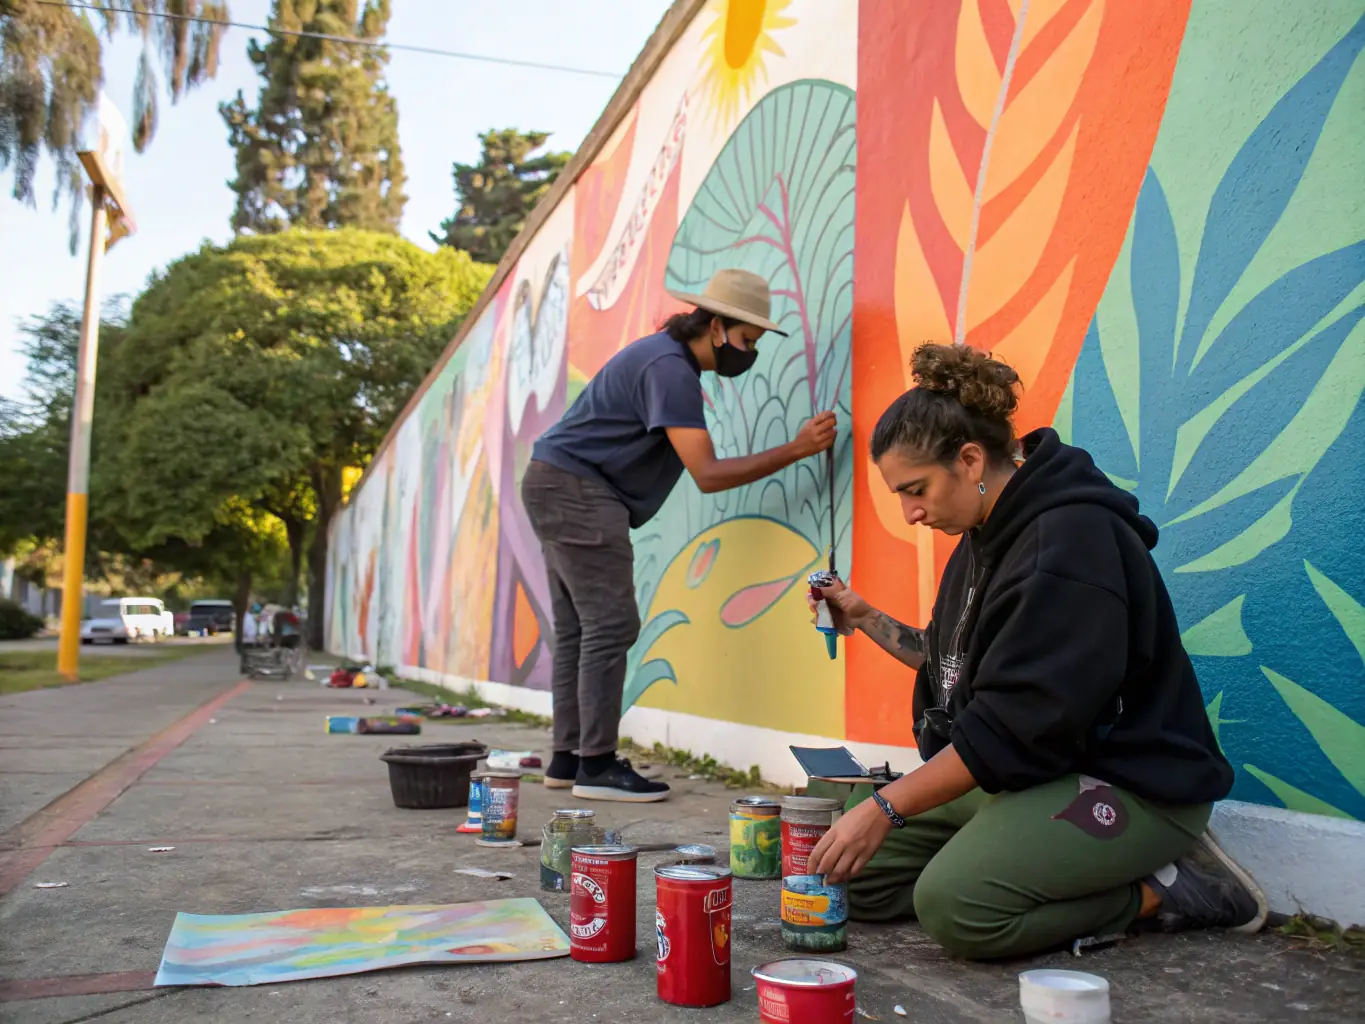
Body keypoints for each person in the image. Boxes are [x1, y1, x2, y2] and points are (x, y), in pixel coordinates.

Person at [804, 342, 1267, 960]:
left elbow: (1007, 729)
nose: (911, 512)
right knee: (850, 878)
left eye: (915, 490)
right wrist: (863, 617)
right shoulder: (984, 531)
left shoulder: (1069, 545)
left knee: (956, 906)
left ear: (970, 460)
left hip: (1130, 786)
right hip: (1036, 773)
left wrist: (887, 806)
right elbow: (960, 670)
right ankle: (1009, 859)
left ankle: (1166, 890)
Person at [523, 268, 837, 802]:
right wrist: (796, 449)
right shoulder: (672, 370)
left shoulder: (660, 359)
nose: (748, 352)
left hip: (554, 481)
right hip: (579, 490)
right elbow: (708, 474)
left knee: (581, 629)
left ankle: (569, 758)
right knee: (610, 625)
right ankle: (595, 766)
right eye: (745, 340)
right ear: (715, 327)